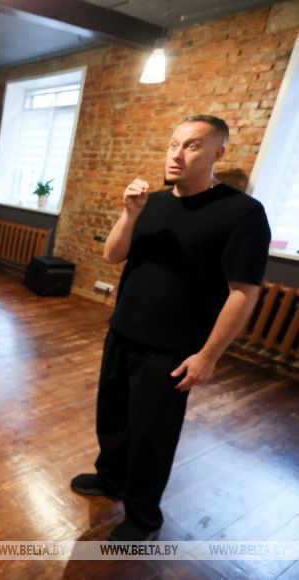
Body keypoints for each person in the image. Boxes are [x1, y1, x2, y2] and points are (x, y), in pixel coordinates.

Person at [70, 115, 271, 541]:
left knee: (151, 437)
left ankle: (143, 517)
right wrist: (130, 214)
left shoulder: (243, 213)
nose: (177, 154)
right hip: (123, 331)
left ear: (218, 153)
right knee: (112, 417)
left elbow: (243, 293)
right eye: (174, 143)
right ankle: (111, 478)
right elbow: (112, 255)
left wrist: (209, 356)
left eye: (192, 145)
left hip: (172, 349)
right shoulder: (153, 203)